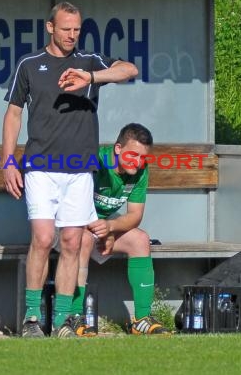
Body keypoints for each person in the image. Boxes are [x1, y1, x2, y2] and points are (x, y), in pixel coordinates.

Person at [2, 1, 138, 337]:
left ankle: (63, 320)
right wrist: (7, 161)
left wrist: (91, 77)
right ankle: (32, 318)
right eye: (65, 29)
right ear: (50, 27)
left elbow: (129, 70)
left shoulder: (89, 62)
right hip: (41, 166)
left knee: (73, 242)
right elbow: (14, 114)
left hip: (79, 169)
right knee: (44, 238)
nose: (71, 35)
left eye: (76, 29)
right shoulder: (30, 64)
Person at [68, 123, 168, 335]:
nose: (138, 162)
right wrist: (103, 230)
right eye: (133, 155)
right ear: (117, 149)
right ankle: (75, 318)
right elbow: (70, 205)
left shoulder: (140, 171)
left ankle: (141, 319)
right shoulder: (95, 161)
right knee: (84, 239)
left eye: (143, 158)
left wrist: (111, 228)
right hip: (71, 225)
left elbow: (135, 216)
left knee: (141, 240)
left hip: (102, 226)